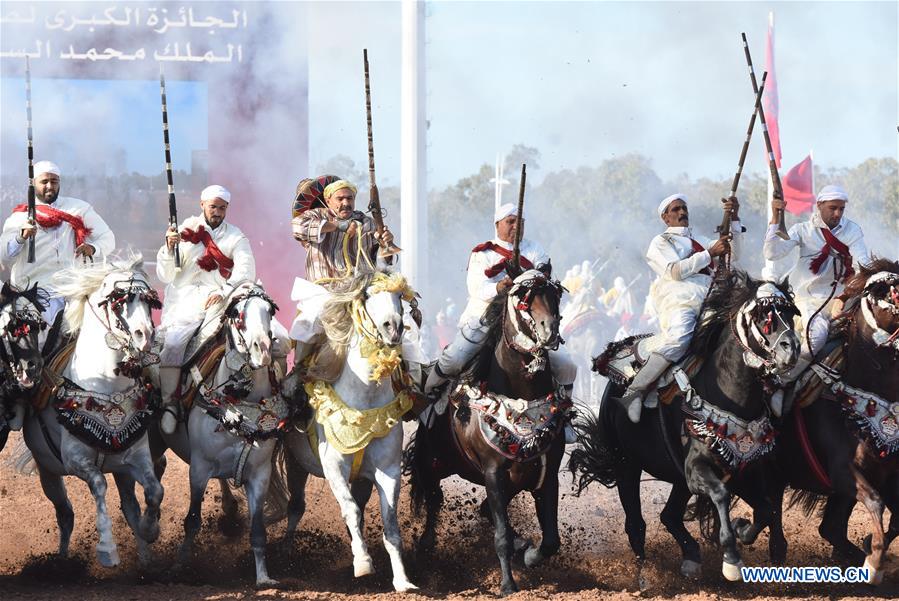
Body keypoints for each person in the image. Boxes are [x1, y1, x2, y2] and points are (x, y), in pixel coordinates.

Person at [424, 202, 578, 428]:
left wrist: (527, 275)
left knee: (566, 365)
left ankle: (564, 419)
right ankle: (430, 398)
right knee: (455, 358)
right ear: (497, 224)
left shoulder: (534, 249)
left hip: (526, 319)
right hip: (487, 316)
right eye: (510, 221)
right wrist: (500, 287)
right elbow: (476, 288)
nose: (516, 226)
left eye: (520, 222)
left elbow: (543, 273)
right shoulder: (483, 253)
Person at [617, 193, 742, 423]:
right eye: (675, 209)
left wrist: (733, 218)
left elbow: (734, 258)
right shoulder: (661, 242)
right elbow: (675, 271)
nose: (682, 212)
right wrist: (709, 254)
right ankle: (635, 391)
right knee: (679, 338)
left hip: (713, 301)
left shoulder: (701, 239)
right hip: (680, 302)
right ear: (666, 217)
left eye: (684, 208)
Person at [156, 184, 257, 433]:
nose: (218, 212)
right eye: (213, 207)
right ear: (202, 205)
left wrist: (224, 291)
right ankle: (170, 404)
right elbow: (166, 275)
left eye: (222, 208)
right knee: (174, 343)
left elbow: (246, 271)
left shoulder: (236, 236)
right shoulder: (182, 230)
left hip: (220, 298)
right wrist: (169, 249)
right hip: (184, 301)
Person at [288, 178, 418, 369]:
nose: (345, 203)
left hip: (361, 290)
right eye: (340, 198)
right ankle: (298, 372)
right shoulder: (315, 215)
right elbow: (297, 227)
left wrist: (385, 244)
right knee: (309, 320)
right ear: (328, 200)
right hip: (325, 290)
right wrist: (339, 226)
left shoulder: (367, 222)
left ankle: (411, 375)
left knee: (401, 317)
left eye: (349, 198)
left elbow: (382, 263)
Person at [763, 184, 870, 378]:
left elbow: (863, 269)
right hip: (807, 300)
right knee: (818, 335)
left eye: (841, 209)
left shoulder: (853, 231)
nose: (838, 213)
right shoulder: (802, 230)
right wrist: (775, 219)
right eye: (833, 208)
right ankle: (784, 379)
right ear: (820, 205)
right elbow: (771, 253)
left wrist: (845, 296)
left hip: (842, 302)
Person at [0, 160, 115, 329]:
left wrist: (92, 248)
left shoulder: (79, 209)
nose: (49, 186)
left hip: (71, 292)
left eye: (54, 182)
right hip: (31, 294)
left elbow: (108, 238)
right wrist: (20, 238)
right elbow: (4, 255)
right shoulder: (19, 218)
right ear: (33, 184)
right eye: (44, 182)